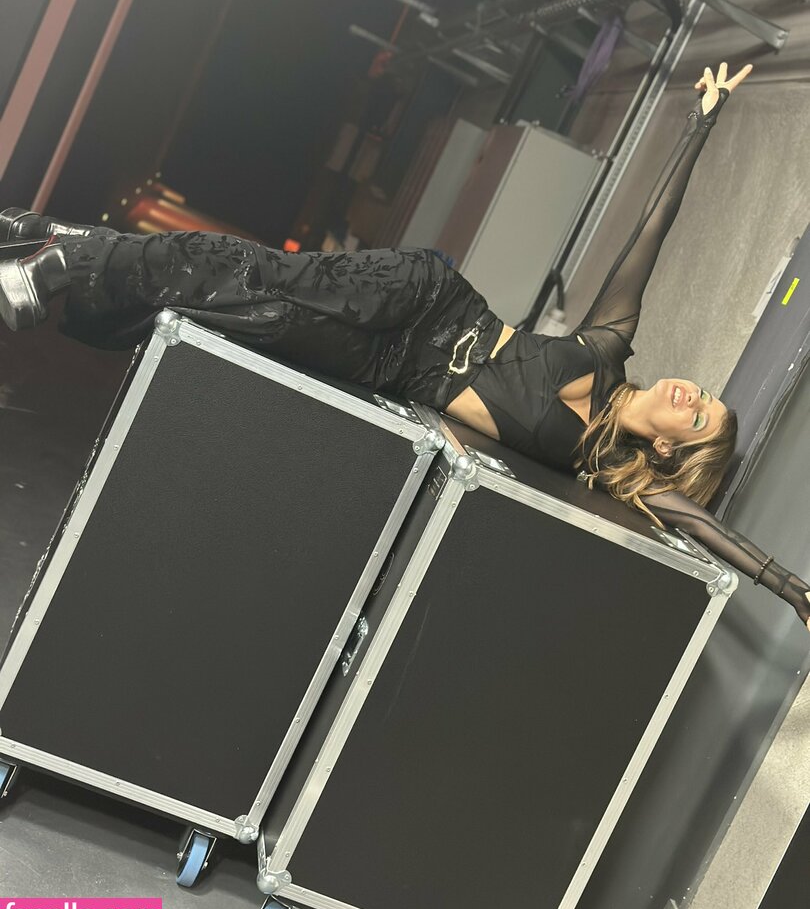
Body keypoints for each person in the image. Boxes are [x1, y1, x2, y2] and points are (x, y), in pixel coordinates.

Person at [1, 63, 808, 630]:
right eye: (706, 395)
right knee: (258, 275)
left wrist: (795, 591)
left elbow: (708, 534)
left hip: (392, 367)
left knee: (240, 311)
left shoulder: (601, 471)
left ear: (667, 453)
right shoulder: (608, 347)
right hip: (423, 297)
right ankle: (64, 264)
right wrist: (702, 122)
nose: (693, 396)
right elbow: (648, 238)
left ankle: (55, 240)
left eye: (697, 419)